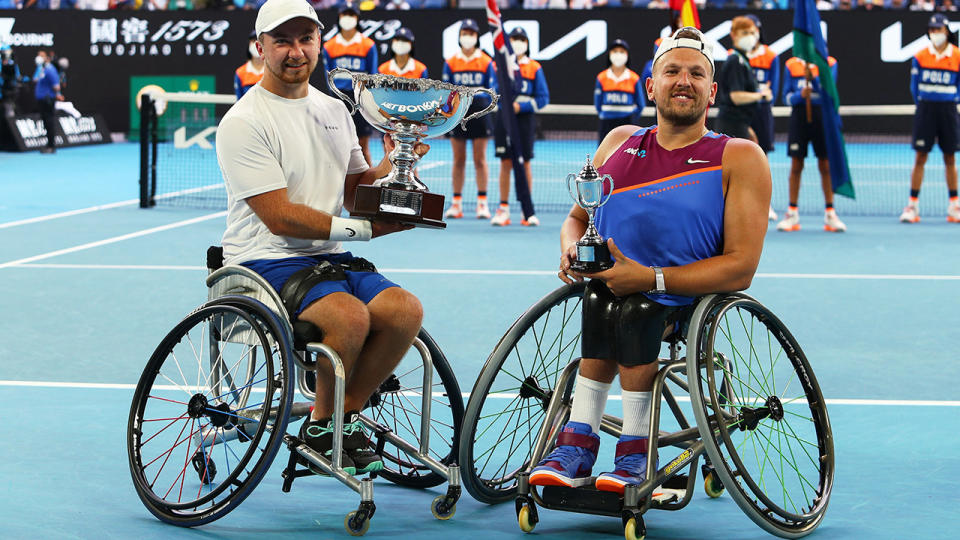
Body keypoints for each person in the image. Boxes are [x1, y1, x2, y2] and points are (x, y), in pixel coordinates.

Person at [529, 27, 770, 493]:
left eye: (697, 73)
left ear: (712, 90)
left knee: (637, 307)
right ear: (651, 86)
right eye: (672, 71)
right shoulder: (619, 141)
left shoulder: (740, 157)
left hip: (685, 300)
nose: (685, 81)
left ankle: (635, 453)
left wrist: (652, 277)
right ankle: (576, 446)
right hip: (610, 287)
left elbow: (741, 267)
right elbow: (577, 219)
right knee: (600, 299)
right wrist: (570, 247)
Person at [216, 0, 426, 476]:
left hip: (330, 257)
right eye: (283, 41)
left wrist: (398, 159)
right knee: (348, 317)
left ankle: (334, 418)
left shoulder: (335, 109)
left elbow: (356, 192)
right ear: (260, 48)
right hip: (263, 260)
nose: (296, 52)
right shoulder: (244, 121)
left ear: (319, 43)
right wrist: (368, 231)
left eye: (305, 39)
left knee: (403, 311)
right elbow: (280, 218)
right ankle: (330, 422)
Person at [777, 52, 846, 232]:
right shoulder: (792, 65)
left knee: (825, 164)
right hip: (799, 118)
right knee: (796, 165)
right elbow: (786, 98)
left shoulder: (830, 63)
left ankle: (830, 213)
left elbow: (830, 95)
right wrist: (800, 95)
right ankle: (792, 213)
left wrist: (813, 81)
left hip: (822, 118)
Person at [902, 13, 960, 223]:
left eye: (939, 30)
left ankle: (954, 205)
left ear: (946, 31)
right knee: (920, 157)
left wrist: (953, 98)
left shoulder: (957, 56)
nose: (935, 33)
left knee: (950, 158)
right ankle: (912, 206)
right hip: (925, 111)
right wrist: (922, 104)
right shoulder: (920, 56)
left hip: (948, 111)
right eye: (932, 30)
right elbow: (913, 87)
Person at [491, 27, 549, 228]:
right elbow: (494, 93)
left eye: (521, 39)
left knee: (524, 163)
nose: (517, 43)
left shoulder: (534, 67)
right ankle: (503, 208)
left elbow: (543, 98)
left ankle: (527, 211)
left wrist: (521, 106)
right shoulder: (499, 65)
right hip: (504, 120)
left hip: (525, 121)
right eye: (514, 39)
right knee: (505, 163)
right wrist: (506, 107)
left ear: (527, 43)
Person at [442, 18, 497, 220]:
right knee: (458, 159)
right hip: (458, 113)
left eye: (471, 33)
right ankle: (456, 203)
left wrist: (469, 94)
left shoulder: (485, 61)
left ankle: (482, 203)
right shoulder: (451, 62)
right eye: (464, 33)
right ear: (460, 37)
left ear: (476, 37)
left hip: (480, 113)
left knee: (480, 159)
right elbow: (447, 90)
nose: (467, 37)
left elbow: (491, 90)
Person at [323, 3, 378, 166]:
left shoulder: (368, 45)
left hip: (359, 99)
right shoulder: (329, 46)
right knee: (337, 146)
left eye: (351, 15)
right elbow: (328, 76)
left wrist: (366, 100)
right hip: (338, 99)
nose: (348, 19)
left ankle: (368, 186)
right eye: (344, 15)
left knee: (363, 146)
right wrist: (335, 100)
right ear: (339, 18)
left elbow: (372, 75)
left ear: (357, 18)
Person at [740, 15, 780, 222]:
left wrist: (763, 98)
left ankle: (765, 204)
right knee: (735, 159)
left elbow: (774, 89)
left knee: (762, 159)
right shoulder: (735, 56)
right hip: (740, 112)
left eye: (752, 29)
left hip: (762, 111)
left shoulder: (771, 56)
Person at [714, 16, 771, 142]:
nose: (750, 37)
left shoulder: (744, 60)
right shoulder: (735, 60)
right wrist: (761, 95)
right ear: (733, 35)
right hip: (731, 125)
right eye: (745, 33)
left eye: (752, 33)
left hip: (742, 123)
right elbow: (736, 97)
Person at [594, 39, 645, 146]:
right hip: (606, 123)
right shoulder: (601, 77)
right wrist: (606, 114)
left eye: (622, 51)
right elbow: (598, 104)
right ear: (609, 54)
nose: (618, 55)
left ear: (627, 55)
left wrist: (632, 117)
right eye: (615, 51)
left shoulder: (633, 78)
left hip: (628, 122)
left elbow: (641, 104)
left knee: (628, 152)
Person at [33, 50, 62, 154]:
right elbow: (35, 80)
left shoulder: (50, 69)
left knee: (50, 122)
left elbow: (56, 86)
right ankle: (49, 144)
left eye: (41, 56)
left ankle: (51, 146)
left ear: (47, 58)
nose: (39, 57)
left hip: (48, 100)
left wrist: (54, 94)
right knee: (46, 122)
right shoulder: (42, 69)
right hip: (42, 100)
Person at [235, 31, 266, 99]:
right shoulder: (241, 72)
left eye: (260, 41)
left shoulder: (272, 70)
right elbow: (239, 100)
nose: (256, 45)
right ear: (249, 44)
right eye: (253, 41)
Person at [1, 44, 22, 119]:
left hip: (9, 90)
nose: (7, 55)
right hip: (3, 90)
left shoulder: (12, 64)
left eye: (8, 52)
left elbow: (17, 75)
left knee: (9, 109)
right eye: (5, 52)